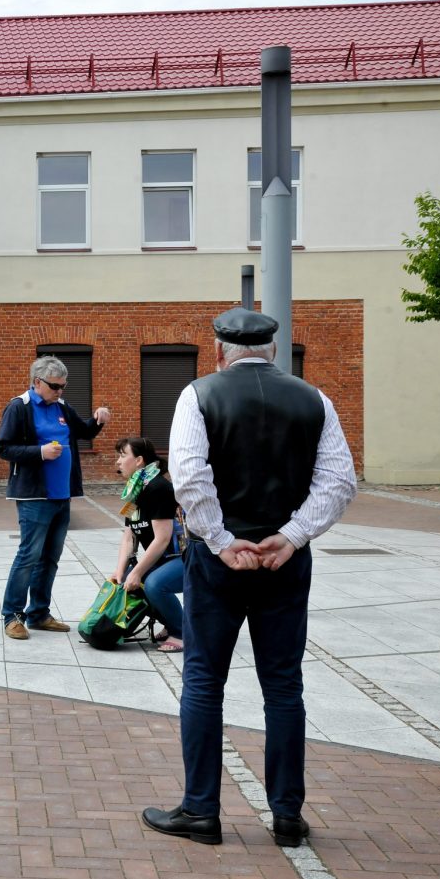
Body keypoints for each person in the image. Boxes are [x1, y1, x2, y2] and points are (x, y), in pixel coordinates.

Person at [142, 308, 355, 848]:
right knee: (283, 685)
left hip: (218, 563)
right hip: (284, 562)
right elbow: (339, 482)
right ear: (274, 350)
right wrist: (291, 535)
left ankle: (200, 810)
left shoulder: (198, 395)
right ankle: (286, 815)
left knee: (204, 681)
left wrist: (221, 540)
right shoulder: (315, 399)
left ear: (219, 351)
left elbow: (189, 476)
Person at [0, 356, 112, 640]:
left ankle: (39, 613)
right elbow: (4, 448)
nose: (60, 391)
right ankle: (12, 616)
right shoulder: (19, 407)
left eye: (63, 386)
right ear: (37, 382)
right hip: (34, 496)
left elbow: (84, 431)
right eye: (55, 386)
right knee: (29, 556)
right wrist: (40, 452)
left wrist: (98, 419)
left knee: (50, 558)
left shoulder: (62, 406)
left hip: (62, 496)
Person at [109, 437, 185, 653]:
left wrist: (137, 572)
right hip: (163, 559)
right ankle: (171, 622)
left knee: (152, 584)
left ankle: (182, 633)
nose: (118, 461)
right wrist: (120, 572)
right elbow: (129, 538)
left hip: (184, 558)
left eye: (123, 455)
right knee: (127, 581)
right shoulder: (135, 491)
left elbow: (162, 539)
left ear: (139, 460)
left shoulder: (158, 488)